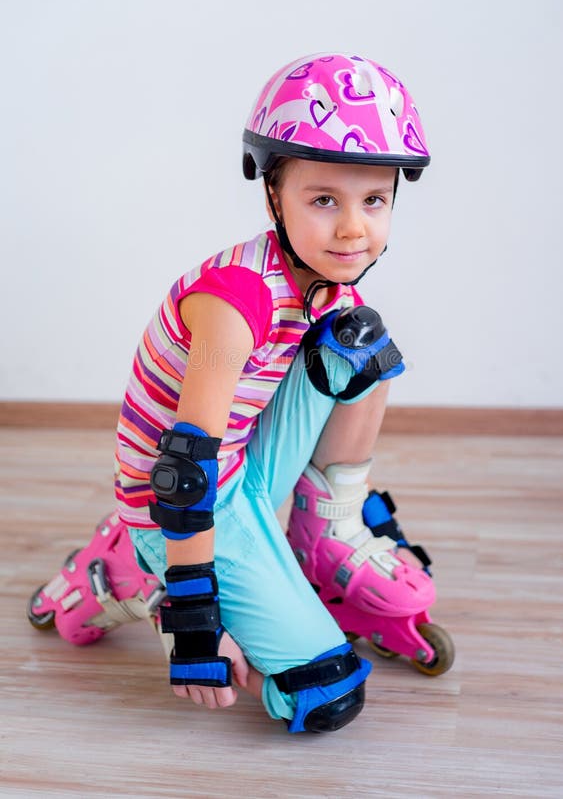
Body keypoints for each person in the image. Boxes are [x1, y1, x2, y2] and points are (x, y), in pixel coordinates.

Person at [28, 53, 439, 734]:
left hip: (243, 465)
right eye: (323, 200)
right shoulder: (236, 299)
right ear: (273, 194)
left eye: (373, 200)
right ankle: (139, 568)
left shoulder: (326, 284)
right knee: (325, 697)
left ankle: (324, 542)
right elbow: (184, 471)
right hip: (182, 503)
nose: (352, 228)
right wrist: (196, 622)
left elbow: (335, 379)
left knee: (360, 342)